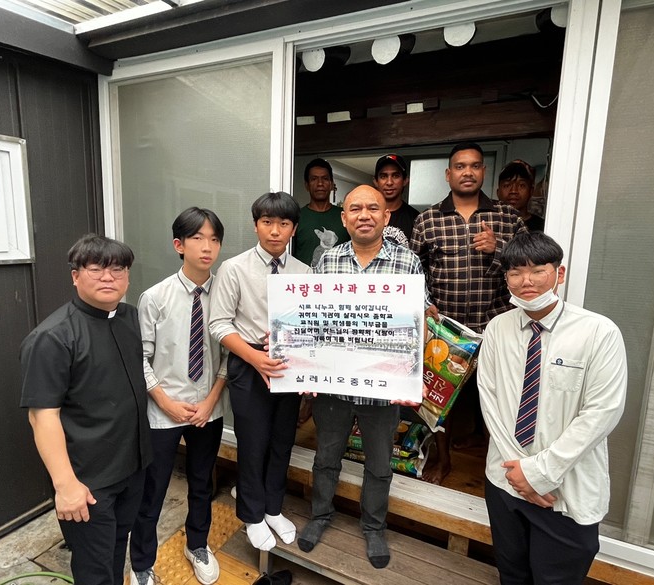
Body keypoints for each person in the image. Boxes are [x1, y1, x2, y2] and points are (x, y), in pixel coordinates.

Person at [478, 231, 627, 584]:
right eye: (515, 273)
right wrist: (520, 473)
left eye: (537, 270)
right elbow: (490, 399)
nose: (526, 281)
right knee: (511, 573)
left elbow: (602, 412)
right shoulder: (498, 328)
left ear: (559, 273)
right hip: (504, 480)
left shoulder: (598, 332)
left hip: (563, 488)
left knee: (556, 579)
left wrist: (539, 473)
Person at [297, 185, 424, 569]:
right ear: (344, 217)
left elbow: (418, 322)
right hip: (334, 387)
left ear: (386, 217)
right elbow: (312, 318)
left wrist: (411, 376)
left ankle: (374, 526)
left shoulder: (408, 262)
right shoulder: (327, 261)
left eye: (372, 208)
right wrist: (306, 366)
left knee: (380, 464)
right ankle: (320, 515)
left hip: (383, 390)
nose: (364, 215)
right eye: (355, 209)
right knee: (326, 457)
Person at [20, 234, 152, 585]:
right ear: (75, 276)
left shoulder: (129, 317)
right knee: (94, 569)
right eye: (96, 269)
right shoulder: (53, 337)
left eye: (118, 269)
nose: (108, 277)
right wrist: (65, 486)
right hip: (88, 482)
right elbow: (42, 416)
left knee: (117, 551)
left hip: (132, 467)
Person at [410, 142, 526, 484]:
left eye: (475, 166)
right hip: (444, 328)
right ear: (448, 174)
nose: (468, 172)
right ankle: (443, 460)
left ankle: (497, 471)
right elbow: (413, 271)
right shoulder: (428, 219)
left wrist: (498, 248)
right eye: (460, 166)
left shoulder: (507, 217)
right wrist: (422, 304)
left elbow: (529, 267)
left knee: (498, 401)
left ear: (484, 171)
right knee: (438, 400)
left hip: (495, 325)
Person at [129, 208, 228, 585]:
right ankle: (141, 564)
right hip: (163, 411)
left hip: (208, 409)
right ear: (179, 244)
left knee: (202, 483)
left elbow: (228, 356)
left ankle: (197, 545)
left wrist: (211, 401)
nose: (207, 247)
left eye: (214, 239)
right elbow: (141, 357)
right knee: (152, 491)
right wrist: (165, 402)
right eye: (198, 238)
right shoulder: (155, 297)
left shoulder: (226, 294)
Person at [209, 192, 311, 552]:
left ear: (294, 229)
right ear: (256, 225)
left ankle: (273, 508)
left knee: (282, 440)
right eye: (267, 222)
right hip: (248, 361)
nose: (275, 230)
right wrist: (255, 358)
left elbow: (309, 325)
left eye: (284, 223)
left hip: (287, 365)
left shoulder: (304, 273)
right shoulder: (234, 268)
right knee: (253, 442)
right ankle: (252, 515)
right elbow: (219, 324)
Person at [292, 158, 350, 267]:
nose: (320, 183)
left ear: (332, 184)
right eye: (314, 179)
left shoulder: (345, 216)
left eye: (325, 179)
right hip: (304, 277)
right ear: (307, 185)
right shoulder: (296, 217)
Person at [373, 153, 419, 246]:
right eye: (383, 176)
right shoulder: (365, 215)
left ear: (405, 180)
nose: (389, 182)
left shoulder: (416, 219)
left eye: (395, 176)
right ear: (376, 181)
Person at [497, 160, 545, 232]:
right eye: (507, 185)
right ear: (498, 192)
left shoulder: (542, 227)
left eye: (521, 185)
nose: (513, 191)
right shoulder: (489, 221)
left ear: (531, 191)